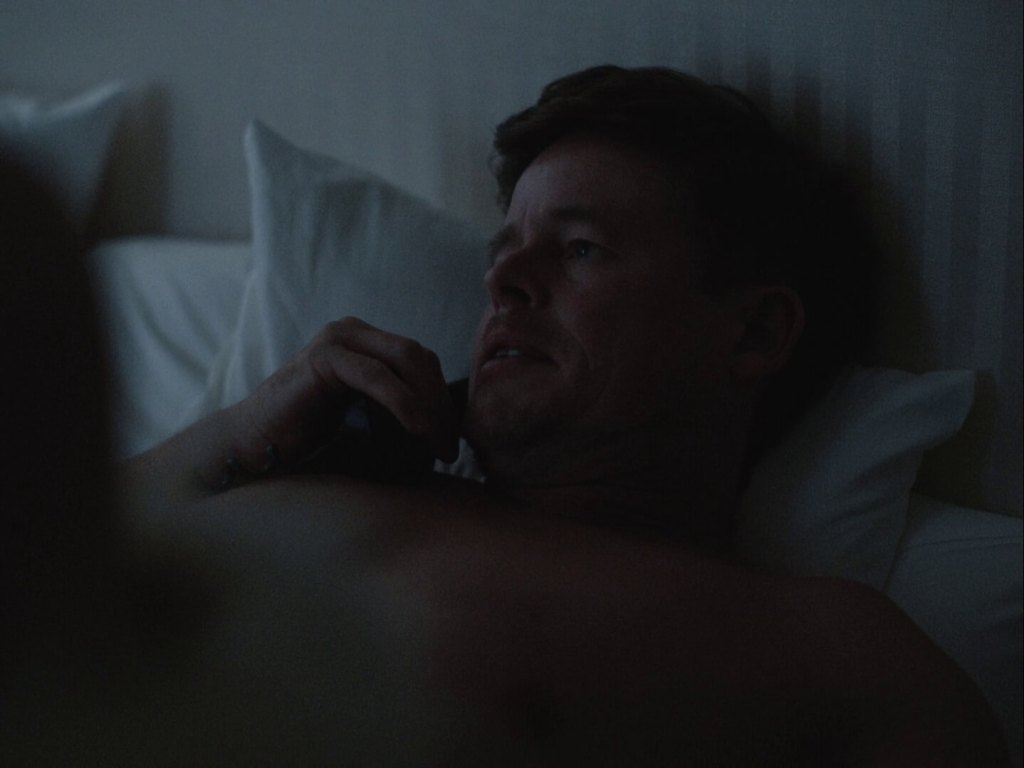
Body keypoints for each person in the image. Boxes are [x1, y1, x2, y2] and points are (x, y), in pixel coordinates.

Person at [105, 66, 1009, 764]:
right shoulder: (283, 469)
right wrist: (241, 427)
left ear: (755, 332)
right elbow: (43, 556)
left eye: (580, 249)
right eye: (505, 252)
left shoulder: (825, 653)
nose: (503, 279)